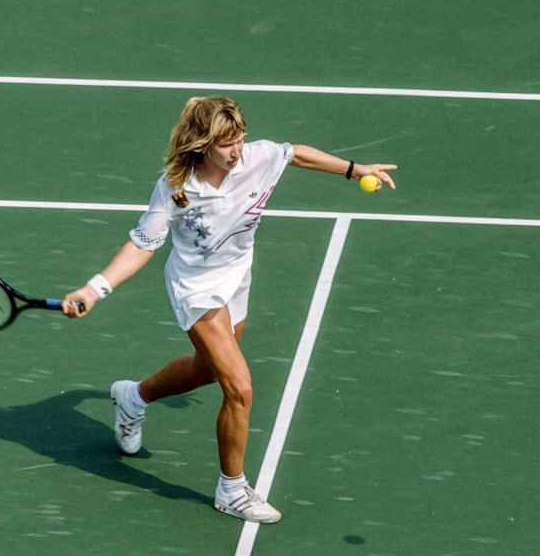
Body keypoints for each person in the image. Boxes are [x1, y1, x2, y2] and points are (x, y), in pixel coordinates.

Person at [62, 96, 396, 524]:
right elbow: (142, 245)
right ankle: (232, 489)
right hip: (195, 287)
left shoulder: (256, 159)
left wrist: (355, 170)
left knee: (208, 369)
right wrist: (95, 288)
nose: (237, 151)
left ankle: (134, 396)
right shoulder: (175, 187)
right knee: (239, 388)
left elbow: (295, 154)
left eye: (240, 140)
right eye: (227, 144)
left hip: (237, 275)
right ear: (202, 144)